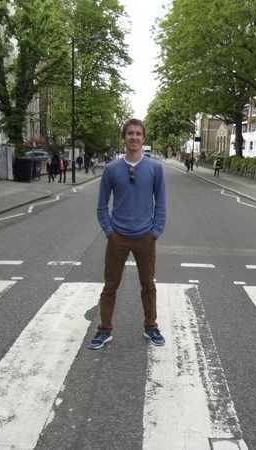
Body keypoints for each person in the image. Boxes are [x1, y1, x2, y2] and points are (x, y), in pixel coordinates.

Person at [88, 118, 167, 350]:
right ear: (124, 138)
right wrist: (109, 231)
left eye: (138, 134)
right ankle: (104, 330)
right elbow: (102, 206)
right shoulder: (112, 169)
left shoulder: (155, 168)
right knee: (110, 286)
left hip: (145, 237)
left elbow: (161, 204)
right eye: (130, 133)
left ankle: (151, 326)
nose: (134, 137)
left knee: (148, 285)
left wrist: (155, 232)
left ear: (143, 138)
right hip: (118, 237)